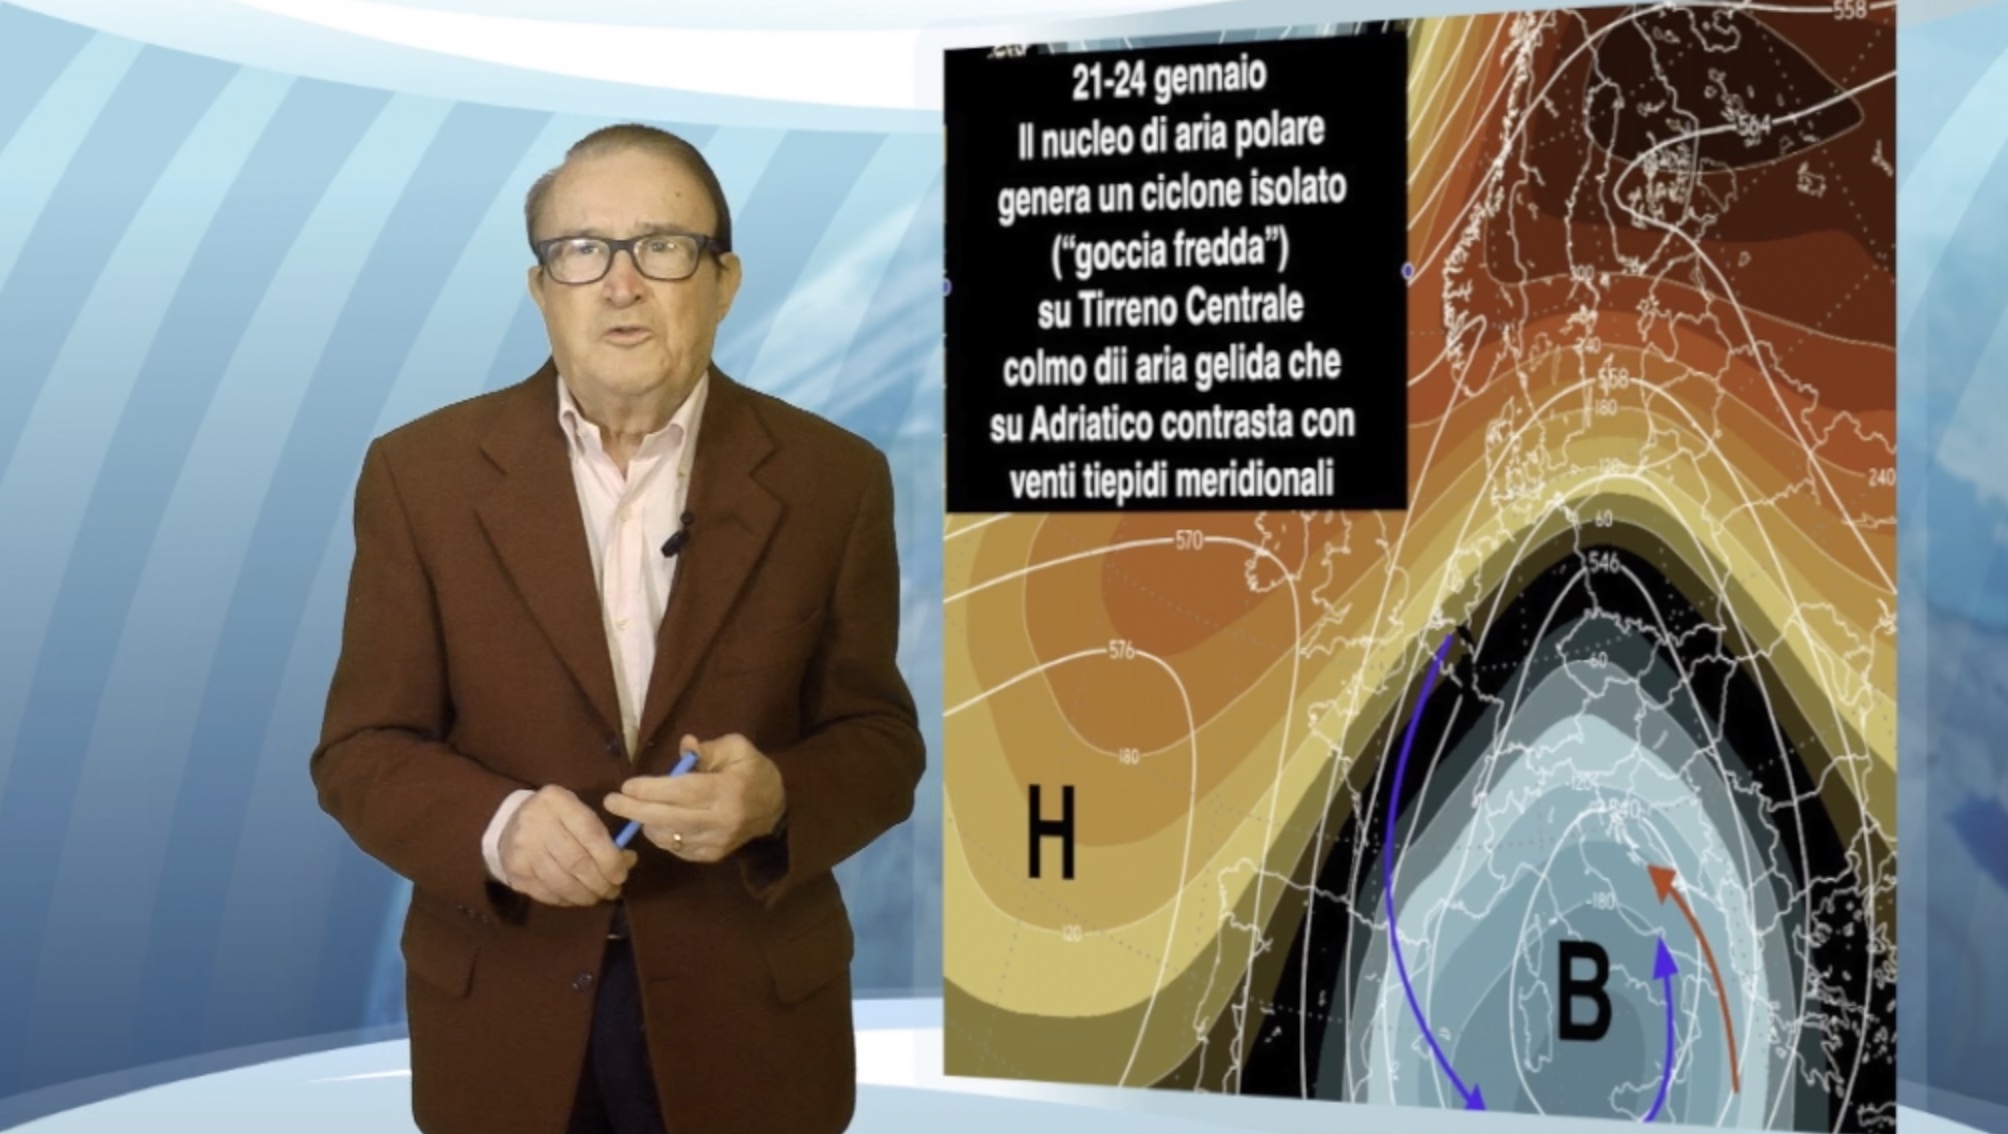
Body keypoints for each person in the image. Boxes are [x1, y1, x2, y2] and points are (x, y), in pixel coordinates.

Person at [310, 123, 924, 1134]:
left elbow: (881, 744)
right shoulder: (418, 477)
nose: (621, 285)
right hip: (506, 1020)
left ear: (724, 282)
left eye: (662, 247)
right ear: (540, 287)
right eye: (582, 251)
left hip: (751, 1025)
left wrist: (777, 799)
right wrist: (498, 828)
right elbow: (362, 750)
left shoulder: (836, 479)